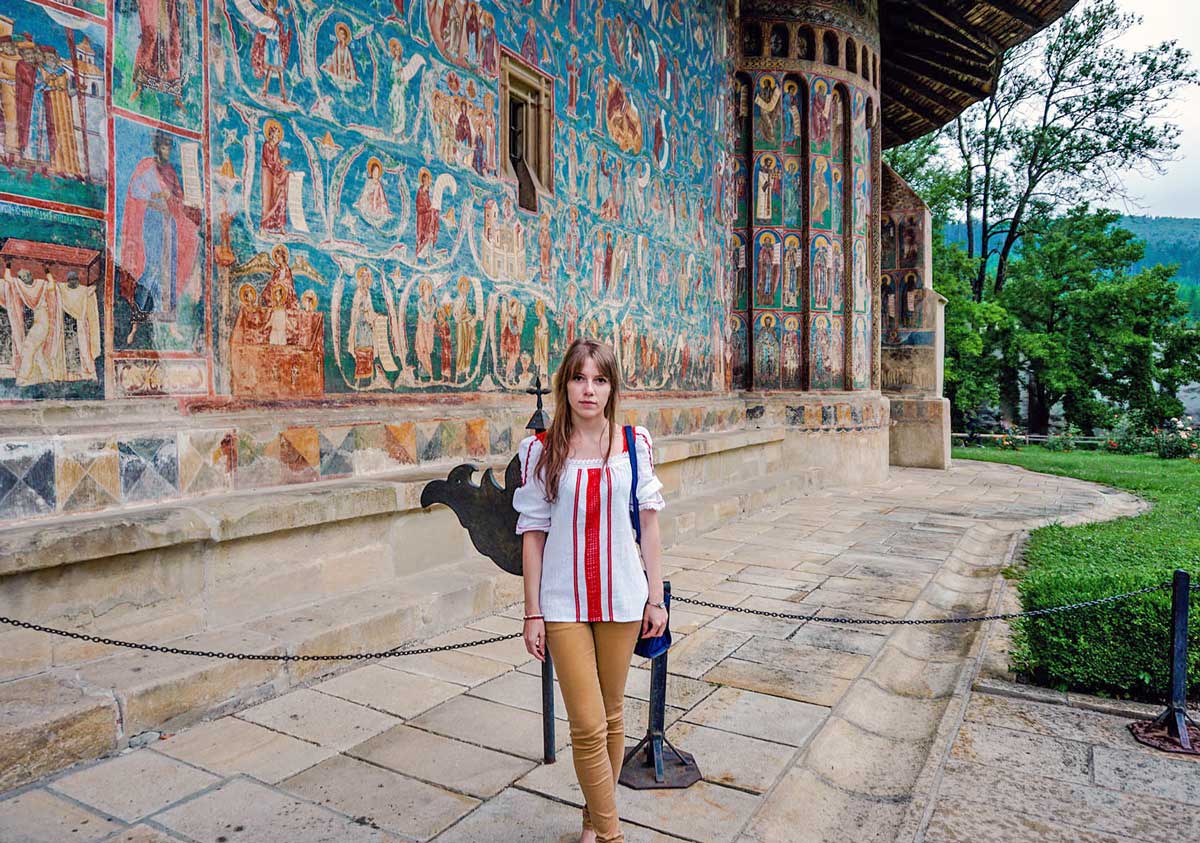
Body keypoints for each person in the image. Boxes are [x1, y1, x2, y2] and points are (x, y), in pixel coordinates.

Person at [513, 338, 668, 843]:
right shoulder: (541, 450)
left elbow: (649, 526)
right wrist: (532, 611)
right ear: (565, 385)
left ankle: (590, 819)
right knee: (585, 724)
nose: (589, 389)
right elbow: (533, 533)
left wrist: (655, 598)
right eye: (579, 378)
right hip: (563, 600)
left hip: (623, 596)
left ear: (611, 388)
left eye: (599, 379)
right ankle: (612, 834)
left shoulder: (633, 444)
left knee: (612, 714)